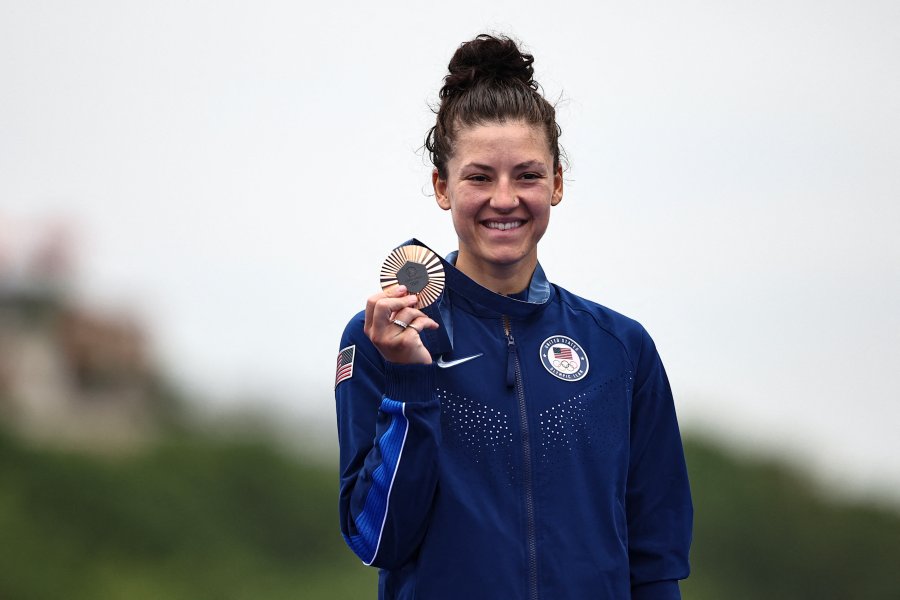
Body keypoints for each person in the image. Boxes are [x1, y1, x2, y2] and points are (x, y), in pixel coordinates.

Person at [335, 34, 692, 599]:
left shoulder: (621, 349)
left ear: (555, 184)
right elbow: (377, 540)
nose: (505, 199)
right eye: (480, 177)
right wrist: (410, 379)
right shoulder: (384, 335)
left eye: (526, 175)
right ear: (442, 188)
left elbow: (656, 560)